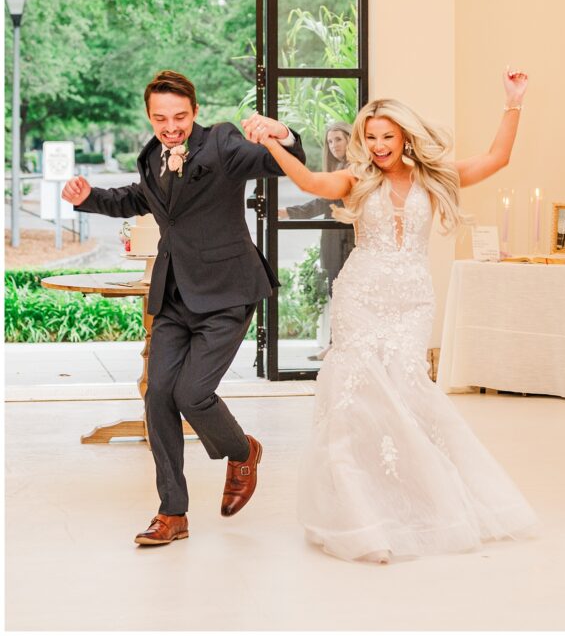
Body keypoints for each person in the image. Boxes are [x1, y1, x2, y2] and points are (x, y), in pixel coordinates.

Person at [242, 68, 539, 563]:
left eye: (387, 136)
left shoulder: (435, 177)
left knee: (407, 392)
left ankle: (417, 503)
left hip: (411, 300)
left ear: (404, 137)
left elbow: (497, 158)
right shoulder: (356, 180)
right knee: (354, 398)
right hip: (360, 294)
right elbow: (311, 179)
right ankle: (358, 515)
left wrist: (514, 103)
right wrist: (273, 145)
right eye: (370, 137)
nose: (378, 145)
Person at [62, 70, 305, 547]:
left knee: (192, 395)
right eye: (160, 118)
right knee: (158, 395)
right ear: (149, 117)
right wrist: (88, 198)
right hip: (174, 295)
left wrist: (286, 138)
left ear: (194, 111)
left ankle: (242, 450)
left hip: (227, 293)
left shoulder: (223, 144)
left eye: (178, 117)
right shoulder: (152, 154)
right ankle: (172, 512)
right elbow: (140, 198)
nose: (170, 127)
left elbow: (279, 164)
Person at [278, 122, 355, 359]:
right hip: (333, 238)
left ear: (350, 139)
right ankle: (336, 344)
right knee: (336, 291)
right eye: (330, 142)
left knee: (345, 294)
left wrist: (290, 212)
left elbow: (320, 202)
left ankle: (338, 345)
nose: (333, 146)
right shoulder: (337, 169)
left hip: (349, 239)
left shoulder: (353, 170)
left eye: (338, 140)